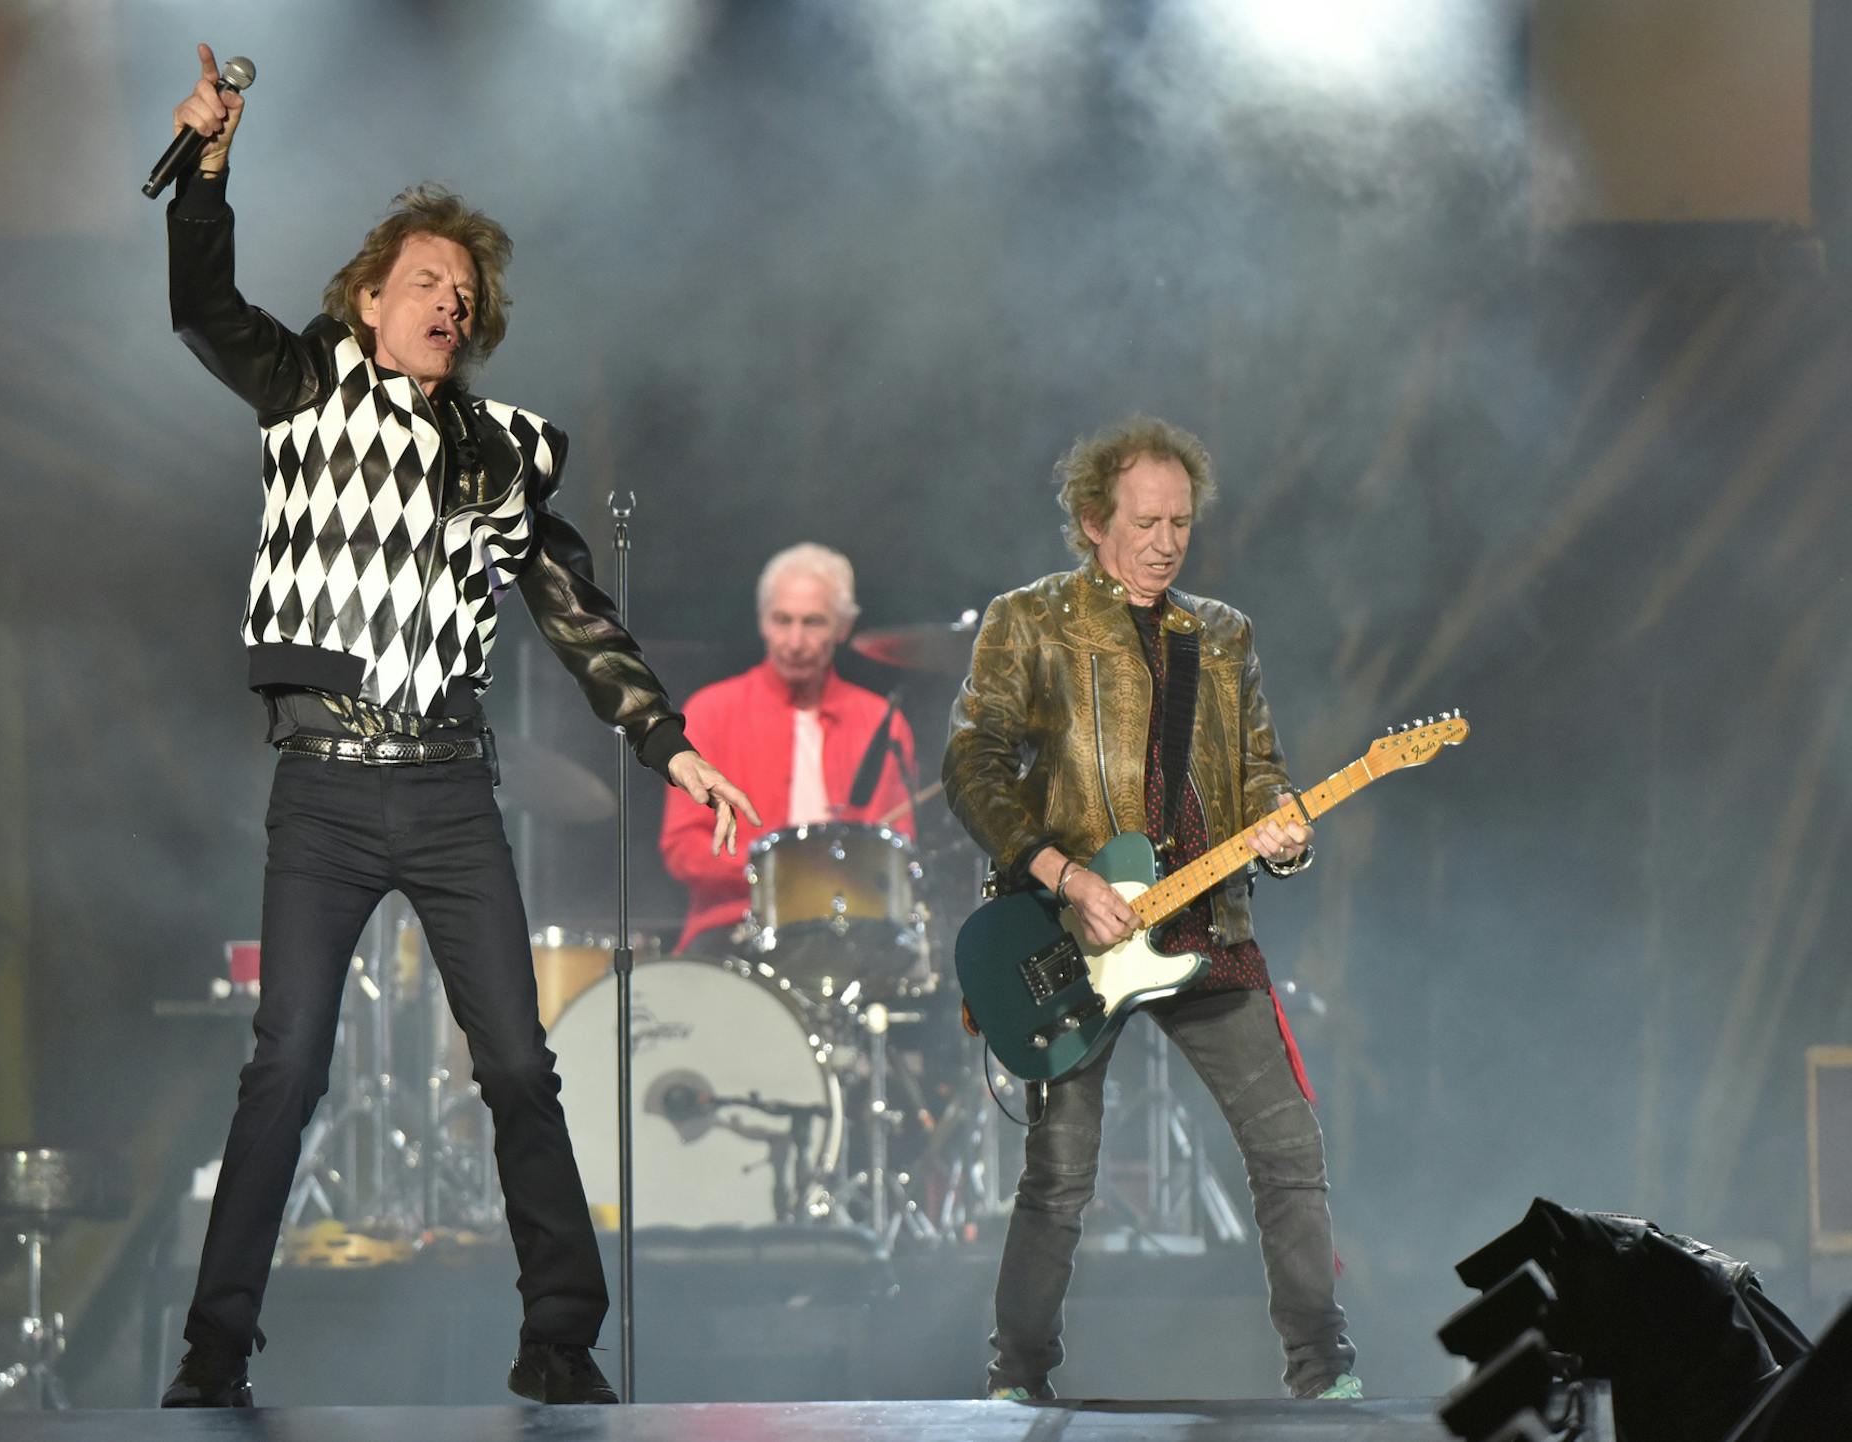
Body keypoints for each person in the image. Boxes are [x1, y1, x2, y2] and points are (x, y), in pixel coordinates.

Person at [155, 44, 759, 1408]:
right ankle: (213, 1347)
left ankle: (562, 1337)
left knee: (519, 1063)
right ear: (368, 299)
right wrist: (206, 171)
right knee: (286, 1065)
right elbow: (202, 306)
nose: (449, 298)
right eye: (425, 279)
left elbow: (574, 610)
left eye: (464, 291)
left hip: (443, 790)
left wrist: (668, 741)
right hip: (323, 787)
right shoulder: (303, 386)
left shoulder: (497, 455)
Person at [942, 416, 1359, 1401]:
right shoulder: (1030, 621)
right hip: (1073, 925)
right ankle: (1017, 1377)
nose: (1167, 542)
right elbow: (972, 764)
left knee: (1289, 1147)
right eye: (1145, 522)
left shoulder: (1223, 633)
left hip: (1205, 920)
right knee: (1061, 1170)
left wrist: (1285, 831)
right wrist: (1064, 876)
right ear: (1095, 520)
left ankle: (1323, 1370)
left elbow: (1261, 773)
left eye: (1180, 522)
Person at [659, 543, 915, 955]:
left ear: (843, 628)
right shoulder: (710, 712)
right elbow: (682, 847)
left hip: (850, 931)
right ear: (762, 621)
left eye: (813, 623)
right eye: (782, 621)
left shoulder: (881, 723)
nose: (795, 641)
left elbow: (896, 850)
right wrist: (772, 869)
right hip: (731, 927)